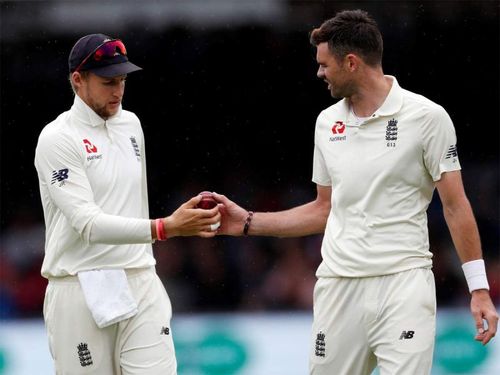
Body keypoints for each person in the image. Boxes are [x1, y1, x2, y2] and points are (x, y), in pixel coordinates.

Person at [213, 9, 498, 375]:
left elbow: (456, 206)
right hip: (339, 287)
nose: (319, 73)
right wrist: (247, 222)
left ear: (351, 63)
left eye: (324, 64)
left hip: (404, 286)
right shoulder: (326, 122)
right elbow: (323, 209)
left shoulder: (428, 117)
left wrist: (479, 289)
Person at [34, 34, 221, 374]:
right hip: (79, 284)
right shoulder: (57, 138)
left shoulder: (131, 124)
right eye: (108, 82)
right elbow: (88, 225)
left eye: (122, 81)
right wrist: (165, 227)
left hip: (139, 277)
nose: (118, 91)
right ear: (78, 80)